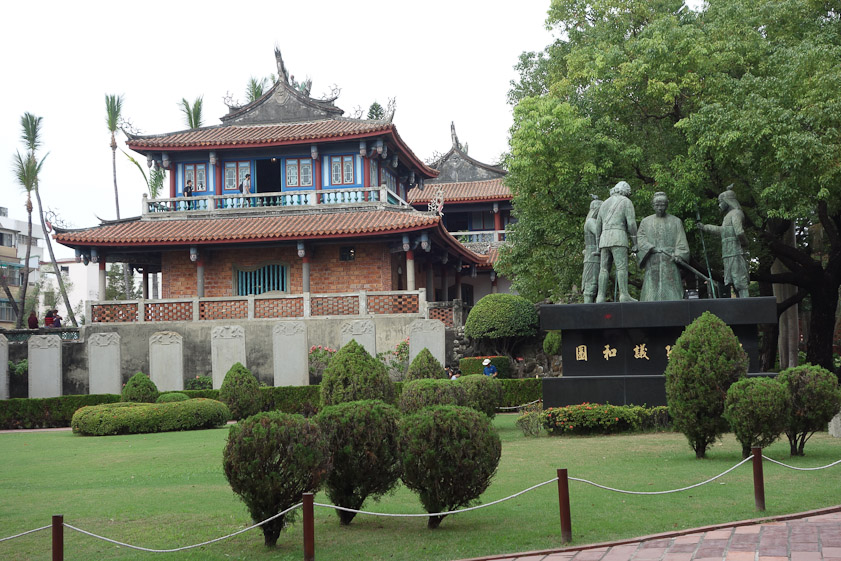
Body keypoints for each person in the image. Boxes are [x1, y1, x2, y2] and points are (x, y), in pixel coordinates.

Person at [697, 185, 749, 298]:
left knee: (739, 279)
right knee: (732, 280)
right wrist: (705, 227)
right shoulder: (727, 217)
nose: (719, 205)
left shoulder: (736, 213)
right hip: (728, 252)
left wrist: (744, 243)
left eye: (721, 201)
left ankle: (746, 302)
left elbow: (739, 231)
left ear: (727, 201)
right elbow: (722, 230)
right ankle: (740, 301)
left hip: (736, 251)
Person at [637, 192, 690, 301]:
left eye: (662, 205)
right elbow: (640, 239)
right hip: (653, 260)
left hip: (669, 259)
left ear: (667, 205)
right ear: (653, 205)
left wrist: (679, 255)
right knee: (651, 293)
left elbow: (681, 242)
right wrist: (650, 247)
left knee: (672, 293)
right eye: (657, 205)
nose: (660, 208)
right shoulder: (645, 222)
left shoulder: (676, 221)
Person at [596, 181, 638, 303]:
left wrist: (598, 244)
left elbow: (598, 226)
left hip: (604, 239)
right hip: (619, 237)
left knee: (603, 269)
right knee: (621, 268)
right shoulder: (626, 202)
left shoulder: (604, 204)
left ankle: (600, 296)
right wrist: (635, 242)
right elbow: (631, 223)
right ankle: (624, 294)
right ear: (625, 191)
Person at [582, 196, 602, 303]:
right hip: (592, 256)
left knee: (596, 284)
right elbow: (599, 233)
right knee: (591, 284)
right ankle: (587, 309)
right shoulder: (591, 221)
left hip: (594, 255)